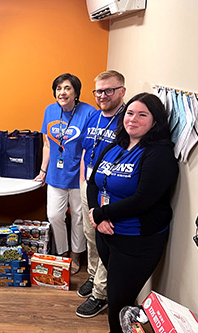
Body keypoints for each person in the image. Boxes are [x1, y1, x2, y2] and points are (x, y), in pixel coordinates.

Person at [87, 93, 178, 333]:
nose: (132, 120)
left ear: (155, 122)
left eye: (142, 115)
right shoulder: (115, 146)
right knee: (120, 293)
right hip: (107, 234)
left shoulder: (159, 154)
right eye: (129, 114)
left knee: (117, 294)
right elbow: (93, 182)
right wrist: (96, 215)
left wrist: (102, 215)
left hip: (138, 239)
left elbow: (144, 199)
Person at [76, 70, 126, 318]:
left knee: (104, 238)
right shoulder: (94, 117)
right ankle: (94, 275)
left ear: (122, 91)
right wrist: (84, 181)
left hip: (108, 191)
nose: (103, 95)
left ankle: (101, 293)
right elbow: (86, 150)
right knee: (90, 233)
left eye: (109, 90)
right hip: (89, 185)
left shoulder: (126, 120)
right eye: (98, 91)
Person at [34, 73, 96, 274]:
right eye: (59, 88)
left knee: (78, 216)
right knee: (54, 215)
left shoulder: (89, 112)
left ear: (76, 92)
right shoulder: (50, 110)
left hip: (79, 176)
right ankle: (62, 252)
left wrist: (86, 175)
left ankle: (76, 255)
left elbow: (91, 147)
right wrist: (43, 171)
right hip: (56, 175)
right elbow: (47, 144)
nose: (62, 92)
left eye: (67, 88)